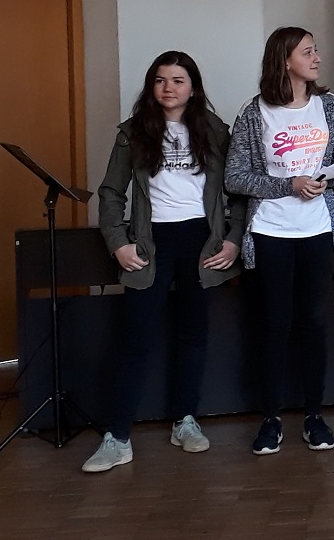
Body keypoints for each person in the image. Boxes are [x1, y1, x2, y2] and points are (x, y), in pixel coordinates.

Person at [83, 51, 245, 472]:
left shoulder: (214, 131)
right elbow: (110, 193)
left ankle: (185, 420)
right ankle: (117, 437)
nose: (168, 87)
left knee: (193, 334)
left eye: (177, 79)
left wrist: (232, 239)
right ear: (151, 87)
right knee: (135, 338)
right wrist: (118, 242)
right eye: (160, 80)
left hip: (202, 243)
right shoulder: (133, 133)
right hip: (151, 245)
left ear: (193, 87)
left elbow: (240, 192)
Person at [225, 26, 334, 456]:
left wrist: (324, 180)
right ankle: (271, 419)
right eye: (308, 52)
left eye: (316, 51)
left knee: (313, 324)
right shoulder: (253, 112)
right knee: (274, 326)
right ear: (284, 60)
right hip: (270, 232)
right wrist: (289, 183)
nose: (316, 58)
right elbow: (235, 177)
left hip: (317, 230)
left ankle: (314, 416)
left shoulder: (329, 106)